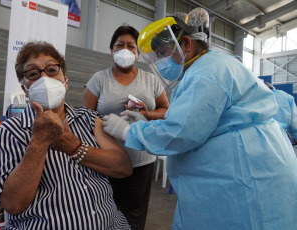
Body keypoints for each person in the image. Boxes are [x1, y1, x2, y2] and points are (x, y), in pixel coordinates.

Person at [103, 8, 297, 230]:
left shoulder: (207, 72)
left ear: (186, 44)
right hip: (245, 174)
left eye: (164, 52)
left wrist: (128, 132)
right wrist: (148, 124)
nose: (161, 61)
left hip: (246, 181)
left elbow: (182, 132)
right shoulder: (206, 69)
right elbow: (189, 121)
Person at [0, 41, 132, 229]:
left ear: (66, 81)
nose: (44, 78)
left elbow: (123, 167)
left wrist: (75, 148)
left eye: (52, 70)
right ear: (25, 90)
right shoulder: (9, 132)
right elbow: (12, 203)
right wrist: (39, 141)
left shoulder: (88, 118)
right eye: (33, 74)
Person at [83, 25, 169, 230]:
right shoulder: (99, 79)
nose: (125, 50)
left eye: (131, 46)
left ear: (138, 54)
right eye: (119, 45)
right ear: (111, 51)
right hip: (106, 160)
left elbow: (165, 109)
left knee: (134, 217)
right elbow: (85, 117)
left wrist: (146, 114)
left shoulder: (150, 80)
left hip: (142, 158)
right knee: (104, 212)